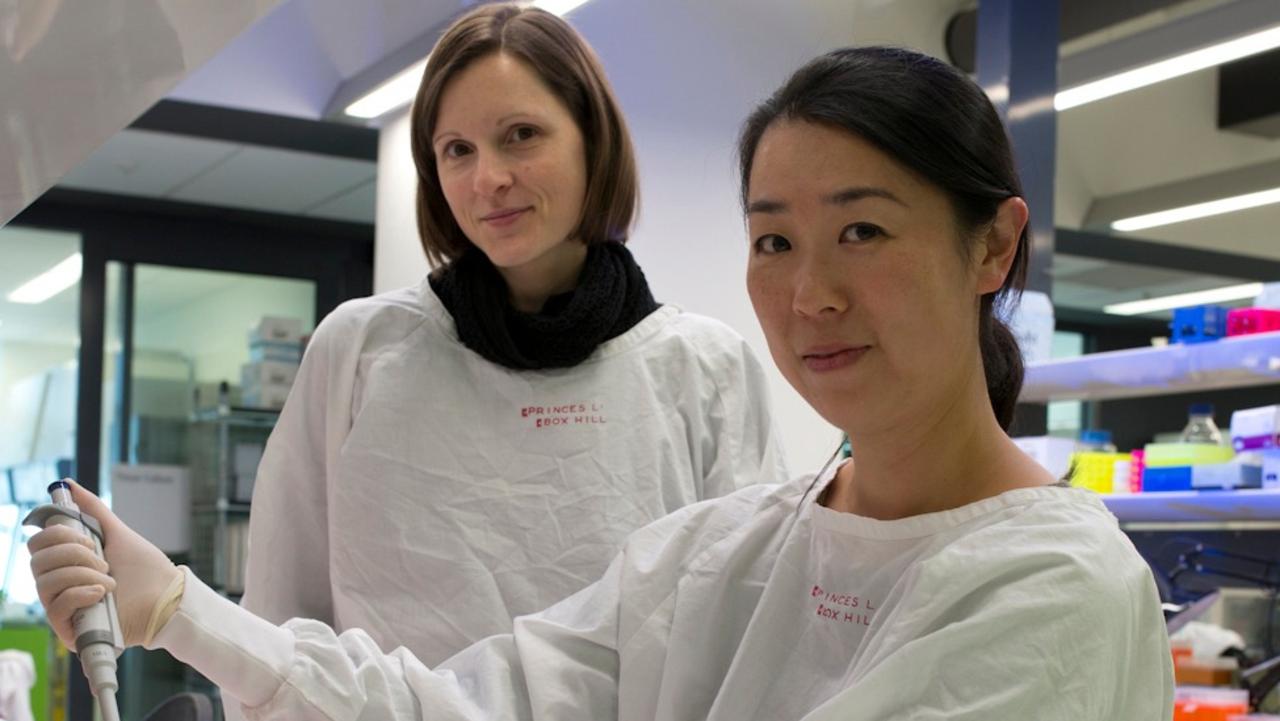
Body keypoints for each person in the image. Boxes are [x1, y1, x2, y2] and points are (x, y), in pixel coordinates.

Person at [30, 46, 1174, 720]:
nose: (810, 293)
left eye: (862, 231)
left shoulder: (1046, 585)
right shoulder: (725, 552)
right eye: (772, 241)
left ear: (991, 248)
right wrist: (181, 610)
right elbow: (473, 700)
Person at [230, 0, 786, 686]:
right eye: (457, 150)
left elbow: (751, 630)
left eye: (520, 134)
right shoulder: (362, 351)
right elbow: (278, 618)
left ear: (593, 139)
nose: (487, 178)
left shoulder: (703, 368)